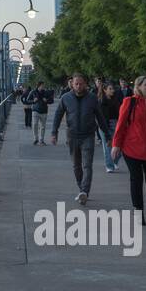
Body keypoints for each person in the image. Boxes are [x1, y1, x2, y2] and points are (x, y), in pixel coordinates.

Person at [110, 75, 146, 223]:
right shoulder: (129, 102)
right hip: (132, 149)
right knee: (136, 180)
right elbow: (121, 125)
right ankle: (138, 212)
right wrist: (116, 144)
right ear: (139, 87)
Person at [51, 73, 107, 206]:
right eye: (76, 83)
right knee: (76, 166)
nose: (78, 86)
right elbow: (58, 115)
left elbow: (100, 117)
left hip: (88, 135)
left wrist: (108, 135)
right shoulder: (66, 98)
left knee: (87, 165)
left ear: (85, 84)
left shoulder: (92, 98)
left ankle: (84, 191)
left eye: (81, 83)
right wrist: (54, 132)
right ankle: (81, 188)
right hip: (72, 135)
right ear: (72, 84)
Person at [99, 82, 122, 173]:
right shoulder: (101, 102)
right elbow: (101, 118)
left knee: (120, 146)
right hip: (105, 125)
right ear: (105, 90)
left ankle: (114, 161)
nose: (113, 91)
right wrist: (105, 130)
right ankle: (109, 166)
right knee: (108, 147)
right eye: (110, 89)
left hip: (116, 124)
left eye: (113, 89)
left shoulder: (116, 100)